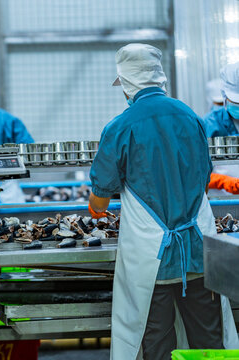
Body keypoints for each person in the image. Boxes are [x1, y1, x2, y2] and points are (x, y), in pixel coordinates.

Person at [88, 44, 238, 360]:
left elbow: (100, 198)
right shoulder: (192, 117)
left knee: (156, 340)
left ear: (127, 81)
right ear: (159, 77)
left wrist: (97, 207)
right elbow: (203, 174)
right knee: (208, 341)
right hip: (198, 252)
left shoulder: (119, 127)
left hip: (151, 261)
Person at [202, 63, 239, 195]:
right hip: (220, 199)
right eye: (235, 103)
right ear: (224, 95)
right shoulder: (210, 123)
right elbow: (195, 171)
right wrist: (222, 181)